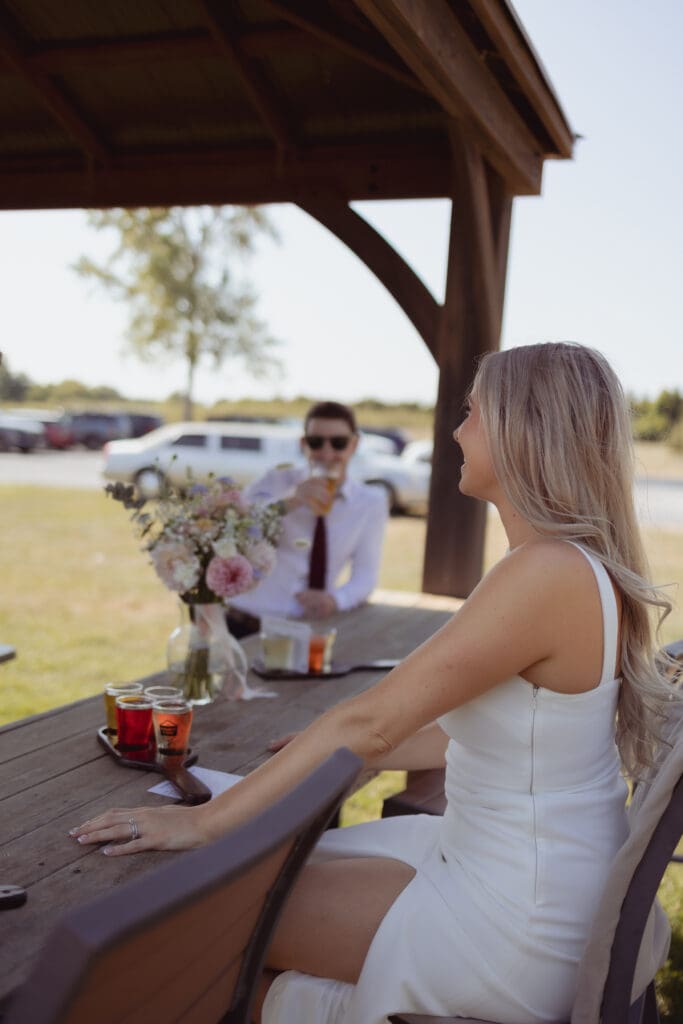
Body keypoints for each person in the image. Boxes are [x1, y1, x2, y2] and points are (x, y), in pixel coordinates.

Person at [70, 343, 677, 1024]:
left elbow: (368, 721)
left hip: (518, 916)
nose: (454, 432)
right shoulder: (570, 566)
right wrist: (346, 754)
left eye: (471, 413)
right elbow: (491, 732)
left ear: (520, 428)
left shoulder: (545, 572)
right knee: (245, 881)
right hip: (532, 877)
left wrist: (202, 820)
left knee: (195, 915)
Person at [226, 401, 389, 636]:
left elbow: (365, 575)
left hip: (305, 629)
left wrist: (335, 600)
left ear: (354, 445)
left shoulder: (370, 502)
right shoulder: (276, 481)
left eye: (338, 443)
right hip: (244, 622)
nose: (327, 452)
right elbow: (234, 529)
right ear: (304, 444)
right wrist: (290, 501)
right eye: (316, 442)